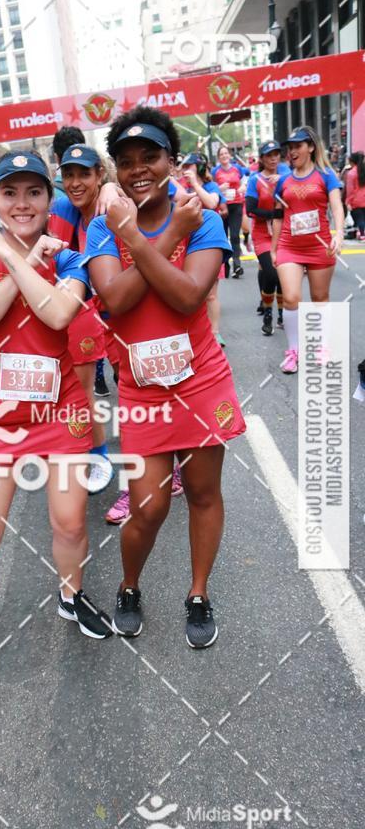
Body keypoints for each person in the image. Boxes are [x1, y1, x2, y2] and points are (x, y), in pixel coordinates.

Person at [0, 149, 113, 693]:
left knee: (69, 523)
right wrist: (12, 258)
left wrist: (15, 255)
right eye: (9, 193)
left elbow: (60, 314)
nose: (22, 204)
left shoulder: (68, 257)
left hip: (59, 412)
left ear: (49, 199)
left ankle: (70, 597)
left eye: (34, 192)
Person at [84, 106, 244, 648]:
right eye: (125, 162)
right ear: (116, 171)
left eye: (149, 156)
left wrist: (149, 235)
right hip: (141, 388)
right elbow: (116, 298)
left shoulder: (206, 217)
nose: (138, 169)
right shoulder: (107, 227)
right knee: (149, 506)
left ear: (170, 160)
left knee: (202, 492)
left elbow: (186, 295)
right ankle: (130, 585)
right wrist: (169, 231)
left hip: (200, 380)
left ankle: (198, 593)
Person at [51, 143, 114, 494]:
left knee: (147, 390)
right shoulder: (62, 209)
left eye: (84, 174)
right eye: (68, 175)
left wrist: (112, 188)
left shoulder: (113, 204)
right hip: (82, 313)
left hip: (125, 313)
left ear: (99, 174)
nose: (75, 182)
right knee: (75, 391)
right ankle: (93, 454)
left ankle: (169, 462)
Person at [271, 126, 344, 374]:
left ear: (310, 147)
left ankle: (321, 345)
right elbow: (278, 218)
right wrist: (273, 249)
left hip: (319, 246)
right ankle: (294, 351)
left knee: (320, 299)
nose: (292, 152)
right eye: (290, 148)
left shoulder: (326, 176)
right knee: (291, 298)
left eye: (297, 146)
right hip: (289, 247)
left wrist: (340, 235)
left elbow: (336, 208)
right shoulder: (283, 181)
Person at [179, 153, 227, 347]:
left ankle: (215, 333)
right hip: (187, 246)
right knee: (190, 294)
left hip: (209, 245)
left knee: (211, 295)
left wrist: (196, 185)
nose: (186, 170)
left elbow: (212, 203)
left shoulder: (210, 187)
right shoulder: (182, 189)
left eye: (190, 166)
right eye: (184, 166)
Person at [245, 140, 290, 336]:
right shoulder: (255, 180)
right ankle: (268, 313)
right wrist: (274, 214)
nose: (273, 158)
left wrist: (281, 184)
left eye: (276, 154)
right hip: (263, 234)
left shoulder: (287, 176)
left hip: (284, 234)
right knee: (271, 273)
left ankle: (281, 314)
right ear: (262, 159)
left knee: (282, 276)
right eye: (269, 155)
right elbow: (251, 209)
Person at [212, 145, 250, 277]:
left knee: (234, 236)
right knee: (223, 237)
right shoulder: (215, 171)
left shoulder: (237, 168)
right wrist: (219, 188)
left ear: (229, 155)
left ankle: (237, 265)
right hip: (222, 207)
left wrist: (243, 187)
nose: (224, 156)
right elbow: (210, 186)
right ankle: (225, 265)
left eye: (225, 153)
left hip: (236, 205)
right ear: (219, 157)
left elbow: (245, 179)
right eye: (221, 154)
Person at [52, 126, 85, 198]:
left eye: (85, 174)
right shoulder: (96, 189)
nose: (75, 184)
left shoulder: (50, 196)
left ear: (56, 158)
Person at [345, 151, 365, 241]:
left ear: (352, 162)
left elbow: (350, 190)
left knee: (359, 219)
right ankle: (360, 234)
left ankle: (362, 235)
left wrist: (348, 202)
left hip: (356, 200)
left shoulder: (351, 173)